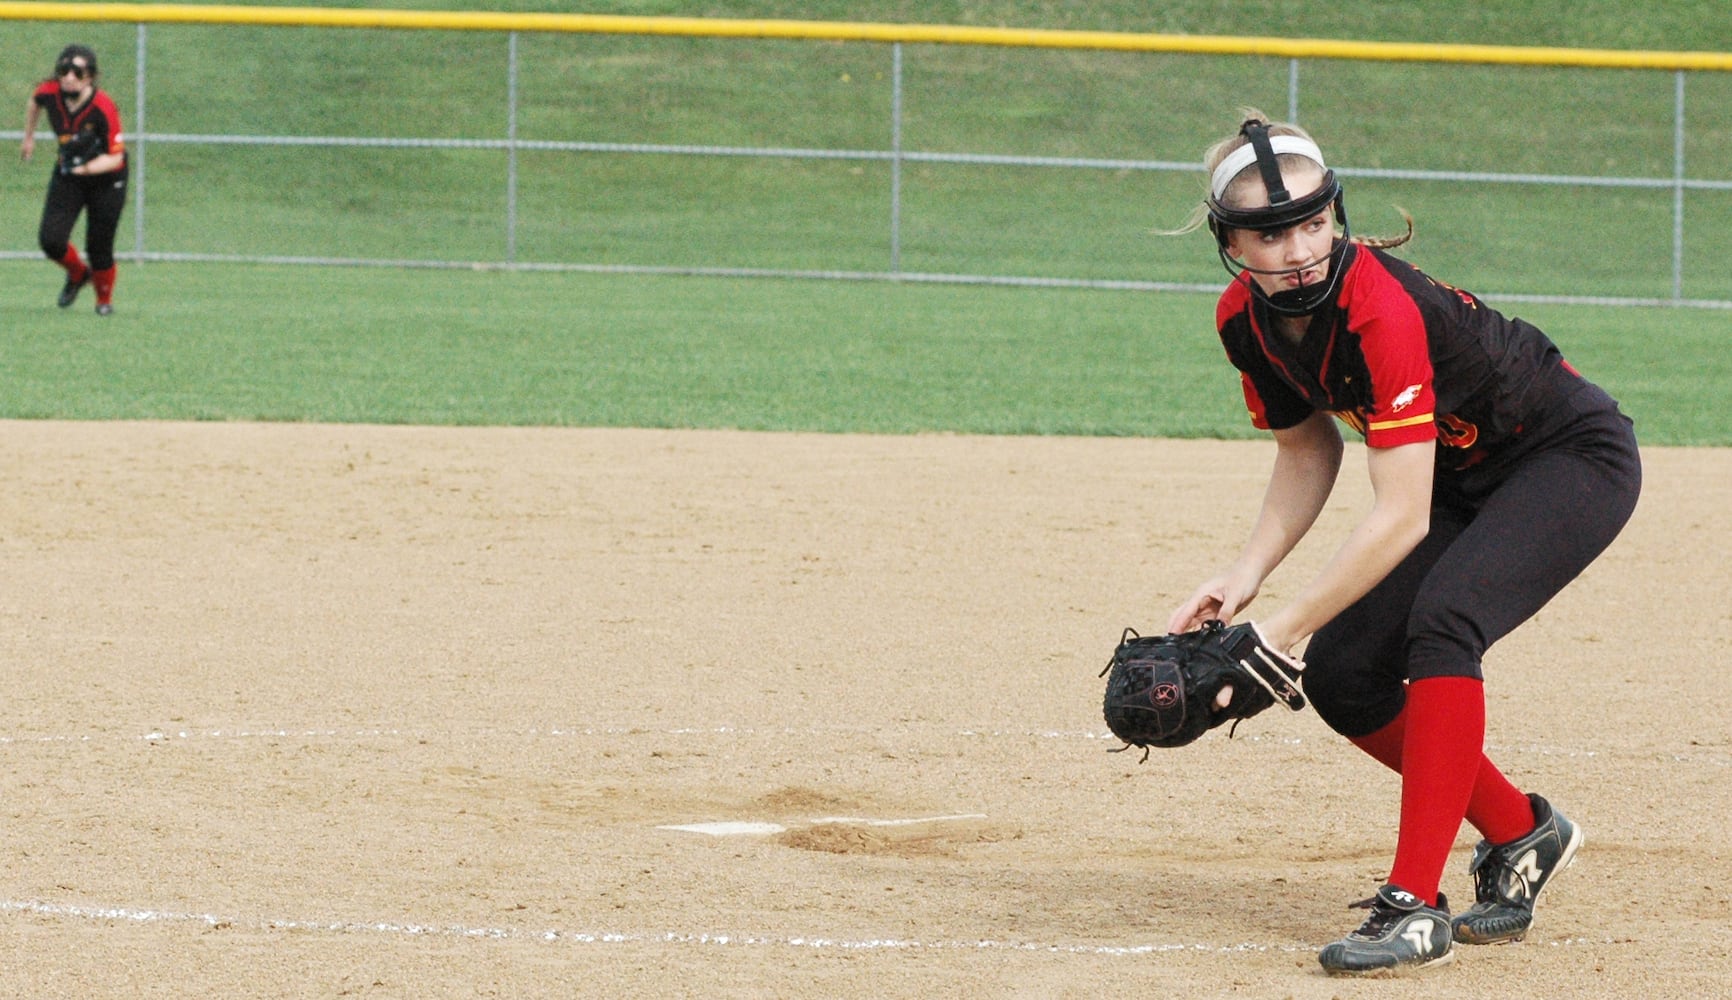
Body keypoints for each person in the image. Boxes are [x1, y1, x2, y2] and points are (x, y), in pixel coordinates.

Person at [1164, 111, 1641, 975]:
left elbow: (1400, 517)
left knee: (1445, 622)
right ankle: (1522, 832)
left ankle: (1415, 908)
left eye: (1313, 221)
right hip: (1464, 476)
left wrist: (1275, 634)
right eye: (1271, 233)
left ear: (1336, 215)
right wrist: (1245, 577)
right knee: (1347, 676)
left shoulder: (1379, 304)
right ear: (1230, 240)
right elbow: (1309, 448)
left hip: (1566, 456)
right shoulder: (1245, 320)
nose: (1300, 248)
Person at [21, 44, 129, 316]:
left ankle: (103, 301)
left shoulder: (103, 107)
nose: (69, 77)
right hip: (69, 173)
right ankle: (79, 274)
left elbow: (115, 158)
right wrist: (29, 136)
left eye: (77, 72)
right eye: (63, 70)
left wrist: (85, 169)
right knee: (51, 240)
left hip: (107, 178)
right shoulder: (49, 92)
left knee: (99, 245)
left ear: (90, 77)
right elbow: (35, 101)